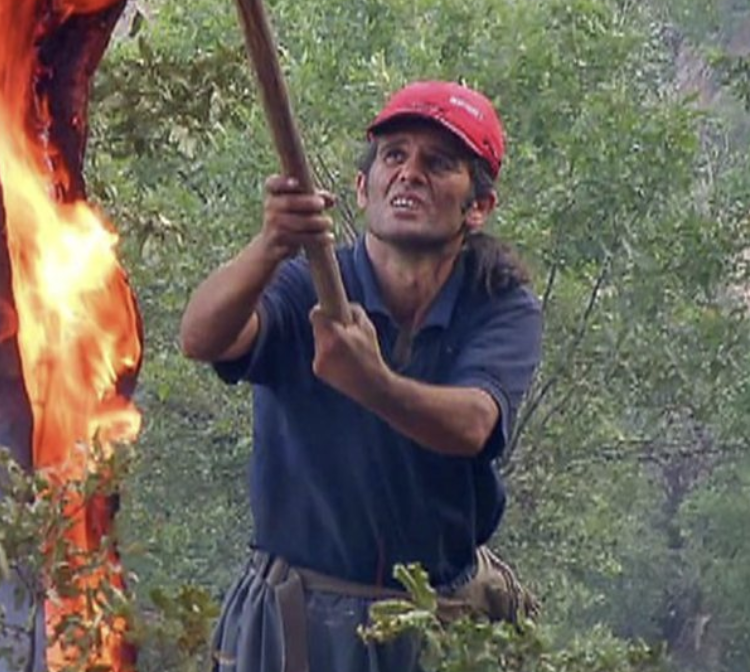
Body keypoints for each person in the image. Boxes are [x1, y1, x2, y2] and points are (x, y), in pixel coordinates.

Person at [178, 80, 543, 672]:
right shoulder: (306, 286)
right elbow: (202, 337)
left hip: (438, 619)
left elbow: (474, 423)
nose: (410, 173)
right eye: (394, 155)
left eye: (439, 163)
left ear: (478, 206)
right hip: (298, 621)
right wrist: (270, 244)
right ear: (362, 186)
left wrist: (372, 381)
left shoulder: (500, 305)